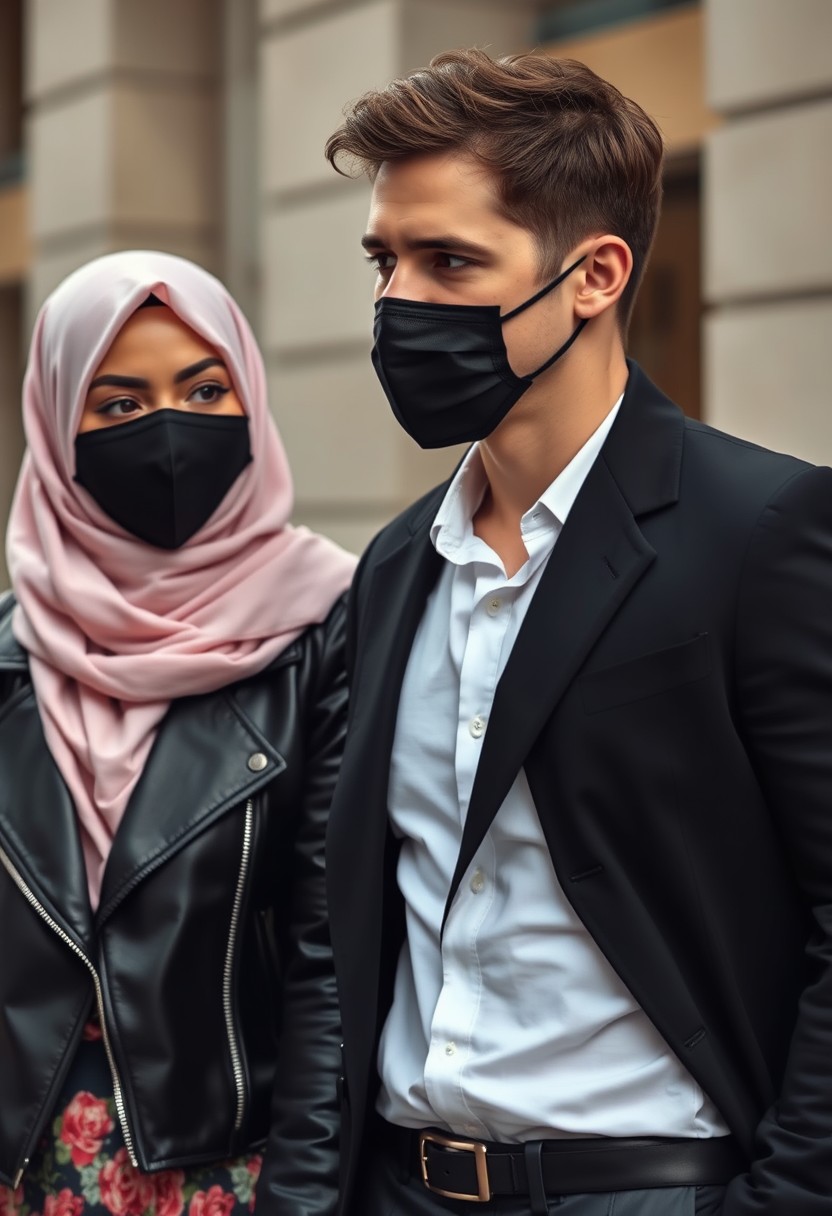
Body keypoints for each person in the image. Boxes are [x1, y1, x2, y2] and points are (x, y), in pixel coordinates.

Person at [322, 48, 832, 1216]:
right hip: (405, 1183)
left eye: (450, 260)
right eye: (384, 259)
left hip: (642, 1186)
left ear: (594, 274)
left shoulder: (759, 530)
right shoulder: (397, 565)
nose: (400, 301)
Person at [0, 251, 355, 1216]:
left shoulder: (326, 636)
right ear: (54, 421)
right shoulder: (8, 655)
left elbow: (335, 955)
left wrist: (307, 1192)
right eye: (117, 404)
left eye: (205, 389)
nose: (166, 428)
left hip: (233, 1167)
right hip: (25, 1160)